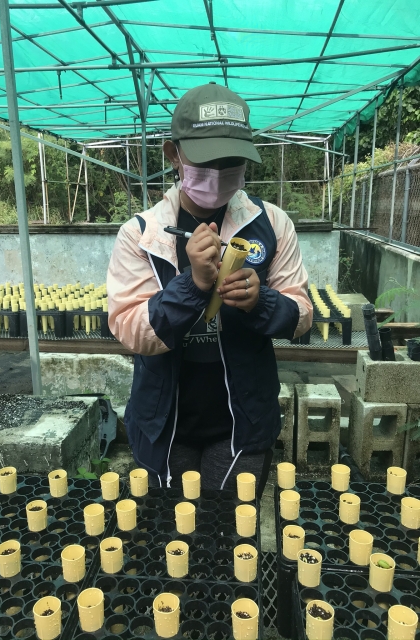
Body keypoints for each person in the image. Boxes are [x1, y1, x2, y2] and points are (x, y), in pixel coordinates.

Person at [107, 83, 312, 495]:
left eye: (231, 159)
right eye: (205, 159)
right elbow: (128, 328)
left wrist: (262, 301)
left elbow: (302, 314)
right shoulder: (142, 234)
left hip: (242, 422)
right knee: (173, 533)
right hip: (165, 422)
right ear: (174, 154)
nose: (218, 172)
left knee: (231, 532)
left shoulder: (270, 224)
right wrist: (193, 285)